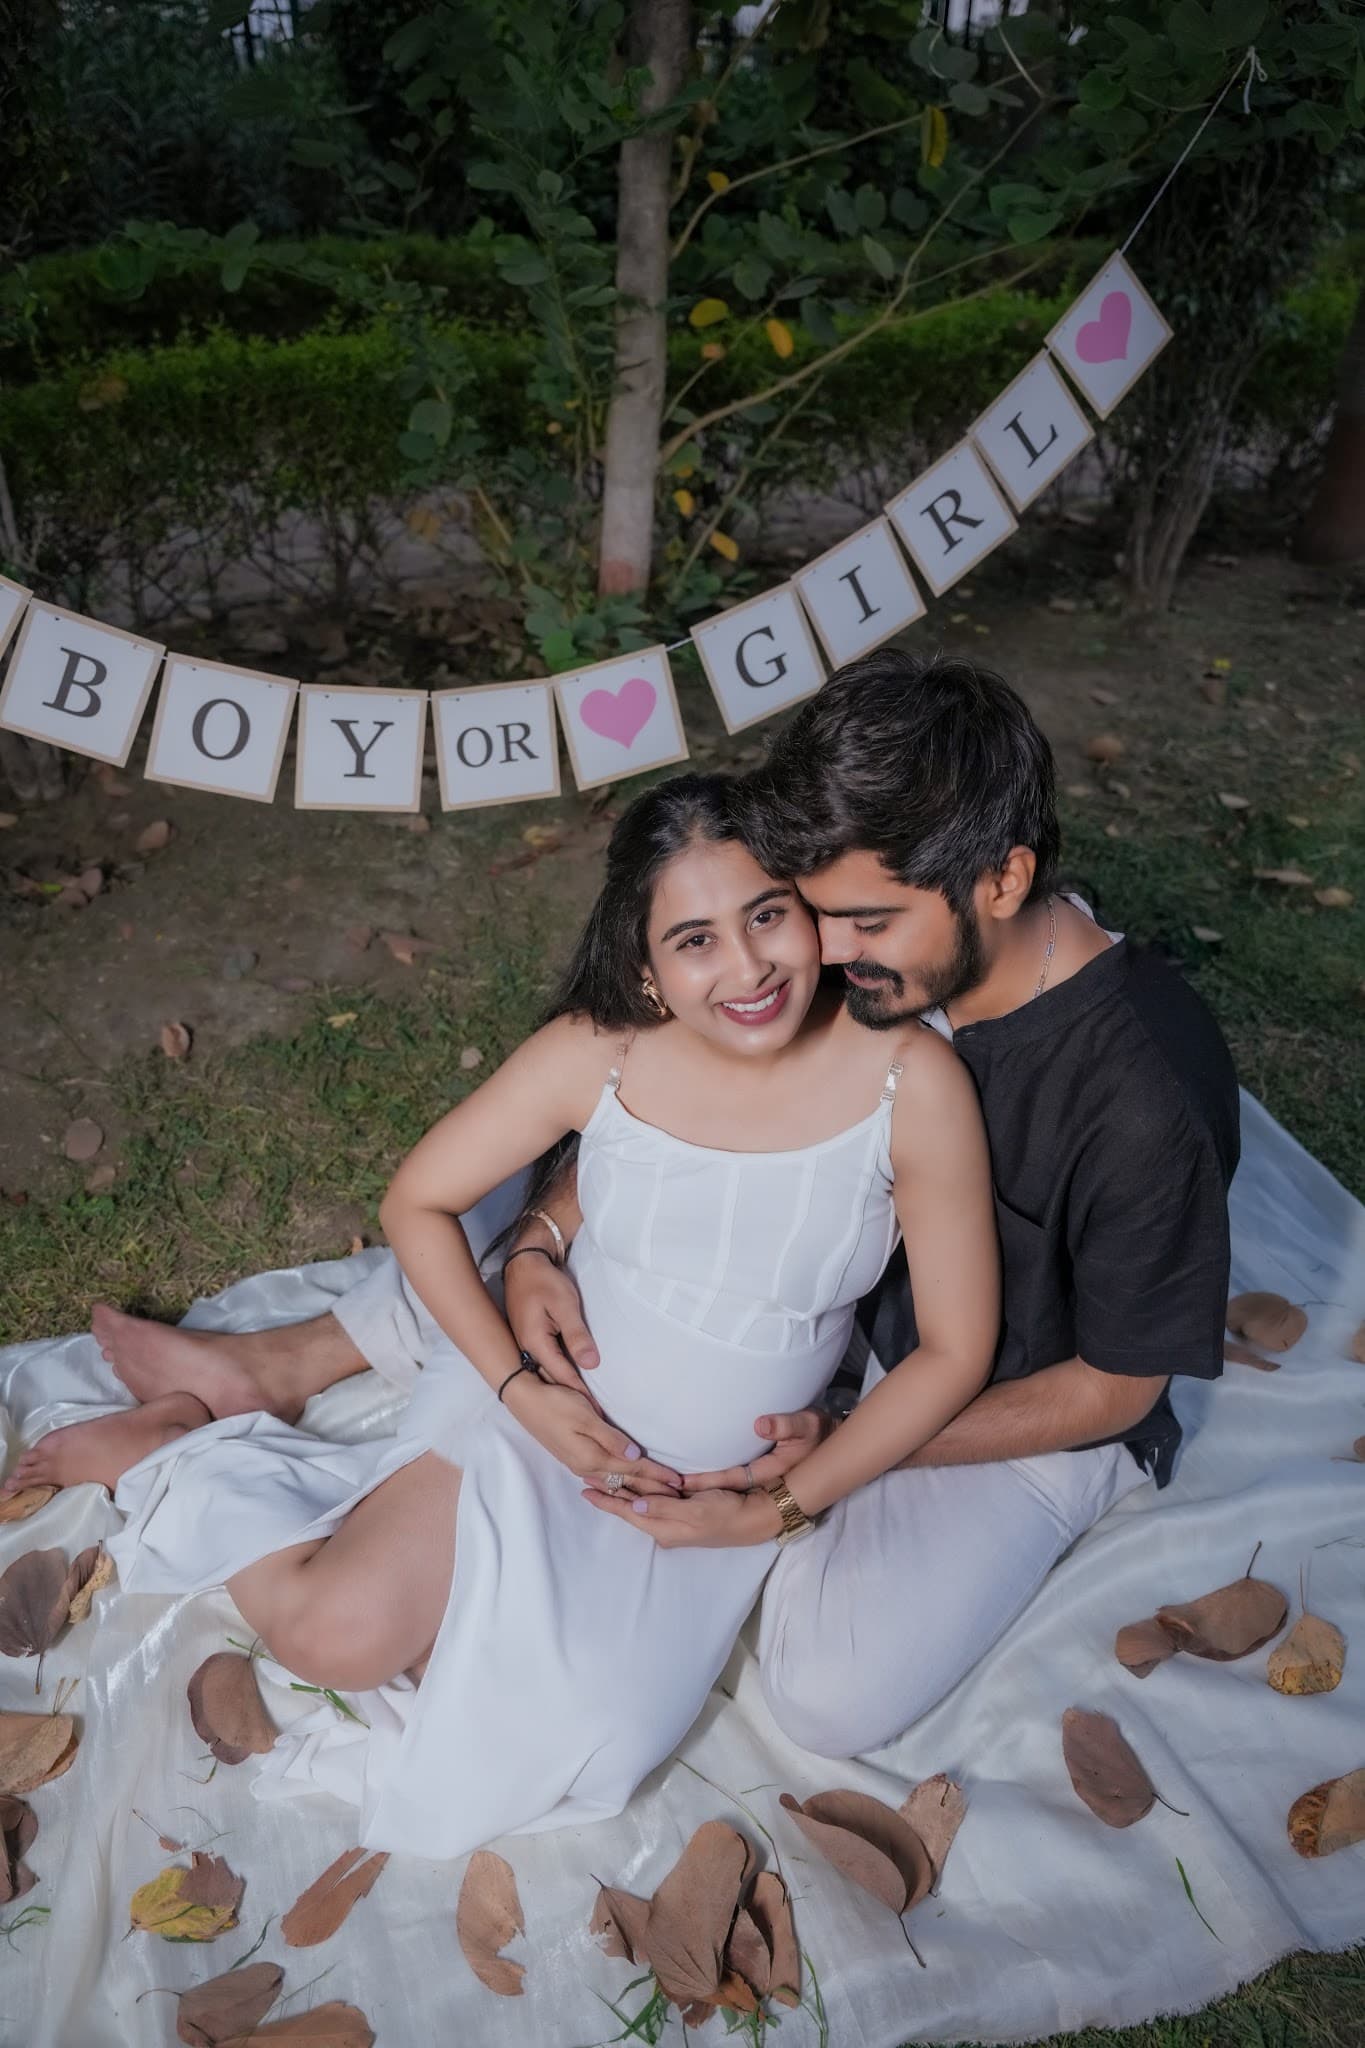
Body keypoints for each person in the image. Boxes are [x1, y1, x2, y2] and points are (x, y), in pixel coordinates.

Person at [3, 773, 998, 1859]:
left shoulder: (910, 1080)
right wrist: (521, 1391)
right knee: (339, 1636)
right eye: (696, 938)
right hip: (547, 1424)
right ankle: (176, 1450)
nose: (750, 966)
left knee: (587, 1746)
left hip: (704, 1503)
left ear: (809, 909)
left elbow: (954, 1350)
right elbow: (417, 1202)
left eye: (767, 914)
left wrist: (779, 1510)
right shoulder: (605, 1052)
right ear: (647, 968)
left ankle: (369, 1522)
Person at [465, 651, 1241, 1756]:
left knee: (828, 1694)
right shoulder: (868, 950)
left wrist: (847, 1451)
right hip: (834, 1299)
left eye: (865, 921)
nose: (823, 955)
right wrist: (549, 1232)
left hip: (1023, 1403)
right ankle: (295, 1359)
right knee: (494, 1217)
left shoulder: (1144, 1097)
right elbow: (680, 1096)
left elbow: (1115, 1387)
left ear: (1004, 881)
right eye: (813, 914)